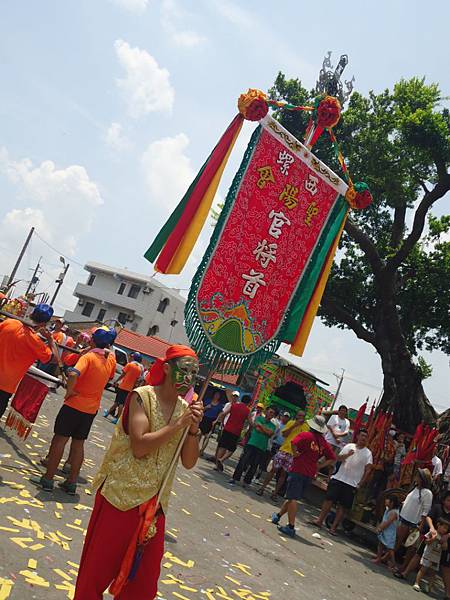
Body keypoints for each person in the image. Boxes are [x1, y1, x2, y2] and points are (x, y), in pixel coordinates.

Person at [72, 345, 203, 600]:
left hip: (155, 505)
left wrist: (194, 429)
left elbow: (188, 462)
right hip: (120, 496)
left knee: (142, 585)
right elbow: (140, 446)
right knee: (96, 573)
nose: (189, 379)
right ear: (166, 369)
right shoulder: (142, 397)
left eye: (194, 373)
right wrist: (179, 425)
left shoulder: (185, 410)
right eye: (184, 371)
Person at [31, 328, 117, 494]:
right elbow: (110, 377)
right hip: (91, 409)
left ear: (93, 341)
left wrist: (70, 391)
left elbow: (74, 374)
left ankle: (48, 479)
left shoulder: (89, 357)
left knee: (59, 441)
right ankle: (71, 482)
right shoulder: (110, 359)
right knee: (78, 444)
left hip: (74, 405)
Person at [272, 414, 336, 538]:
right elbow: (332, 458)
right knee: (293, 497)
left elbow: (293, 442)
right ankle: (278, 516)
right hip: (310, 474)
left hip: (298, 469)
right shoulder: (323, 442)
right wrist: (319, 465)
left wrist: (295, 453)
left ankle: (291, 526)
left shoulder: (305, 435)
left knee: (292, 498)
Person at [0, 304, 57, 419]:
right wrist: (51, 340)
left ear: (31, 314)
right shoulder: (36, 343)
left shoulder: (10, 323)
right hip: (5, 386)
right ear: (44, 324)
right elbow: (55, 359)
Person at [313, 428, 373, 535]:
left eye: (365, 437)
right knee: (329, 500)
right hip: (339, 478)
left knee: (343, 507)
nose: (363, 438)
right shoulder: (349, 446)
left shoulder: (368, 453)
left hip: (352, 483)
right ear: (358, 436)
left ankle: (333, 528)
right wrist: (348, 455)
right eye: (362, 435)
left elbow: (368, 470)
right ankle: (319, 520)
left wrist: (360, 483)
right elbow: (338, 458)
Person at [395, 490, 450, 592]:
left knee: (444, 567)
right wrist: (432, 528)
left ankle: (447, 593)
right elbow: (429, 517)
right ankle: (405, 573)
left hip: (443, 542)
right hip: (430, 536)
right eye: (448, 500)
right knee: (419, 555)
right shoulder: (437, 507)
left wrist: (447, 536)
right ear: (444, 500)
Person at [257, 410, 308, 500]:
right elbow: (284, 434)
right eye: (299, 415)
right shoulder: (291, 423)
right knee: (273, 470)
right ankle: (262, 488)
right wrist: (294, 425)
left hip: (293, 454)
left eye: (302, 416)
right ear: (296, 416)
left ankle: (275, 493)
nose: (300, 417)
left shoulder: (306, 427)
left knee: (283, 474)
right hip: (284, 450)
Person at [230, 406, 277, 487]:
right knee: (243, 461)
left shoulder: (273, 425)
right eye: (270, 412)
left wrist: (261, 427)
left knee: (254, 465)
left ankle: (246, 482)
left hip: (262, 447)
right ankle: (235, 478)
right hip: (252, 443)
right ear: (266, 412)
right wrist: (265, 430)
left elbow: (269, 434)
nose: (271, 414)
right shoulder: (259, 418)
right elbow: (257, 428)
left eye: (273, 413)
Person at [395, 468, 433, 551]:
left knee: (408, 544)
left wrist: (421, 525)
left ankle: (389, 559)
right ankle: (388, 557)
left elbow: (425, 511)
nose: (416, 477)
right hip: (403, 516)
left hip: (412, 521)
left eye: (418, 476)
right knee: (397, 538)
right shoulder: (415, 488)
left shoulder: (427, 493)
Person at [104, 352, 144, 423]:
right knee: (118, 402)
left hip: (123, 386)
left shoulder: (130, 365)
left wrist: (116, 381)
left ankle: (117, 418)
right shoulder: (140, 369)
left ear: (134, 357)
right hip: (130, 388)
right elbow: (138, 380)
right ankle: (108, 412)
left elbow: (123, 374)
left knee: (120, 403)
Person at [215, 394, 252, 471]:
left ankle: (217, 464)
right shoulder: (247, 411)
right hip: (236, 432)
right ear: (249, 402)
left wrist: (222, 423)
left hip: (227, 428)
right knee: (232, 449)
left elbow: (223, 414)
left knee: (222, 446)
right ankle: (221, 460)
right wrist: (248, 431)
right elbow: (251, 423)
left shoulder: (234, 405)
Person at [413, 518, 449, 592]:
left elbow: (445, 548)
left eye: (446, 529)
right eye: (444, 528)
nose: (445, 530)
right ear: (438, 525)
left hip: (436, 558)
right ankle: (417, 583)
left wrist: (444, 543)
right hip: (428, 555)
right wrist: (433, 539)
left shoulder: (444, 538)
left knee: (432, 574)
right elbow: (426, 542)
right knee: (423, 569)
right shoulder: (432, 533)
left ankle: (429, 588)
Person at [373, 494, 400, 568]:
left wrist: (380, 528)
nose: (386, 502)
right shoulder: (388, 510)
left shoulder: (394, 512)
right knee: (381, 544)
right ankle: (378, 558)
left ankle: (393, 564)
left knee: (390, 549)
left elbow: (388, 522)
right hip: (385, 531)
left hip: (390, 533)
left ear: (392, 503)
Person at [199, 390, 223, 455]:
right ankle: (195, 448)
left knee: (207, 436)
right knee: (199, 434)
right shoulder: (208, 401)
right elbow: (202, 409)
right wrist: (206, 407)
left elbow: (220, 414)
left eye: (218, 395)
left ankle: (202, 450)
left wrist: (216, 420)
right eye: (216, 394)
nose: (216, 396)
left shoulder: (220, 405)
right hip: (204, 418)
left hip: (212, 420)